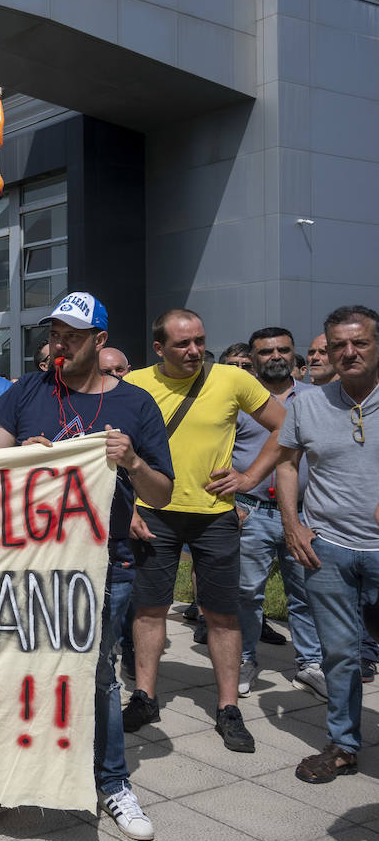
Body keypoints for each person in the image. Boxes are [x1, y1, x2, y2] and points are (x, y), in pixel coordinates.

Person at [0, 291, 173, 841]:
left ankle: (111, 782)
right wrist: (21, 458)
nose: (59, 344)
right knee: (16, 669)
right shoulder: (27, 390)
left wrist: (129, 461)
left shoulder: (135, 405)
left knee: (99, 674)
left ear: (100, 342)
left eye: (72, 336)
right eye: (54, 334)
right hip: (27, 561)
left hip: (105, 561)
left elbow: (165, 492)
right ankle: (5, 778)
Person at [123, 309, 285, 754]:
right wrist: (126, 508)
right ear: (159, 348)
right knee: (150, 609)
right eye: (182, 344)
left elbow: (285, 425)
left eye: (199, 340)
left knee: (222, 614)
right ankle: (145, 696)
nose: (195, 350)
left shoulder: (233, 380)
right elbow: (115, 450)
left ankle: (228, 707)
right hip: (152, 512)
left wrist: (249, 478)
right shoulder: (134, 383)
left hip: (215, 513)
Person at [279, 306, 379, 783]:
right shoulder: (308, 403)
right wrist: (292, 524)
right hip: (329, 549)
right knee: (339, 654)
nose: (348, 352)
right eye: (338, 344)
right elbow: (286, 463)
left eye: (359, 343)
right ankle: (342, 745)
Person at [232, 327, 324, 699]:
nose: (276, 356)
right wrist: (231, 504)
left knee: (305, 593)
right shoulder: (239, 400)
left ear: (293, 354)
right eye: (266, 351)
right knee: (247, 593)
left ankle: (310, 664)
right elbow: (218, 453)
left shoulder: (319, 398)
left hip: (305, 516)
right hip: (250, 512)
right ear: (253, 358)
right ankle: (245, 659)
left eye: (283, 350)